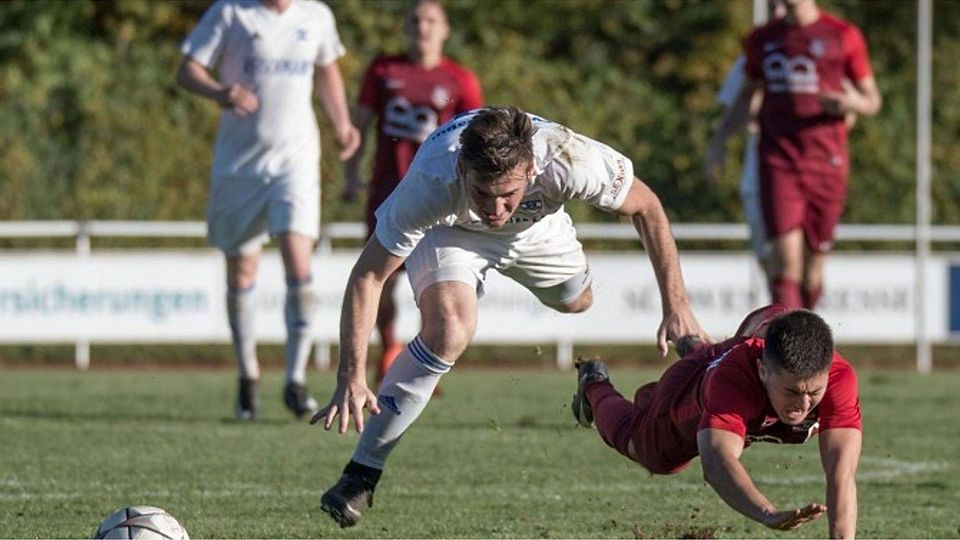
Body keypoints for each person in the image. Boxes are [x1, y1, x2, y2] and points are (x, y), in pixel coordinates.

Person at [310, 106, 710, 528]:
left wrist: (677, 305)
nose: (496, 209)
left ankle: (582, 357)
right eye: (483, 192)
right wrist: (351, 375)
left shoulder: (569, 159)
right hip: (453, 233)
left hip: (538, 231)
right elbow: (369, 275)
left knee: (577, 302)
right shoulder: (430, 182)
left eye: (508, 194)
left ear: (533, 169)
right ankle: (359, 476)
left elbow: (647, 207)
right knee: (449, 331)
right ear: (462, 168)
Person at [176, 0, 360, 420]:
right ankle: (248, 377)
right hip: (239, 167)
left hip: (294, 163)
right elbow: (187, 70)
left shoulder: (316, 15)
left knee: (299, 263)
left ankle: (295, 380)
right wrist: (220, 92)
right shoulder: (230, 13)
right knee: (242, 271)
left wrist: (342, 123)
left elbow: (327, 68)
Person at [572, 305, 861, 538]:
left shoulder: (839, 378)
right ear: (762, 371)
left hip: (743, 349)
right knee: (647, 451)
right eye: (792, 392)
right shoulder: (734, 381)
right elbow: (716, 461)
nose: (803, 403)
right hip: (693, 389)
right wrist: (766, 513)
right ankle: (594, 384)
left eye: (814, 392)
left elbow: (841, 472)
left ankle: (693, 344)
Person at [343, 0, 483, 387]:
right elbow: (361, 125)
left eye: (430, 20)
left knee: (435, 284)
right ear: (406, 27)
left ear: (445, 30)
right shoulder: (383, 70)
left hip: (439, 198)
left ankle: (426, 359)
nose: (422, 27)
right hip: (388, 192)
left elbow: (478, 139)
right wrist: (351, 174)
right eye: (415, 20)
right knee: (380, 280)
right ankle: (389, 345)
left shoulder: (461, 79)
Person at [707, 0, 881, 310]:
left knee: (814, 269)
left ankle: (805, 338)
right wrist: (720, 140)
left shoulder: (842, 35)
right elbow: (745, 96)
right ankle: (789, 350)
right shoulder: (762, 39)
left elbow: (872, 101)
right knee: (786, 261)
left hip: (827, 164)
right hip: (778, 161)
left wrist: (848, 103)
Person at [706, 0, 787, 281]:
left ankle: (800, 318)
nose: (778, 12)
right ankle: (786, 315)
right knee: (767, 256)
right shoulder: (757, 51)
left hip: (804, 168)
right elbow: (738, 106)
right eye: (773, 5)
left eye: (784, 5)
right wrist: (719, 144)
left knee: (798, 260)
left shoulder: (825, 44)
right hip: (760, 167)